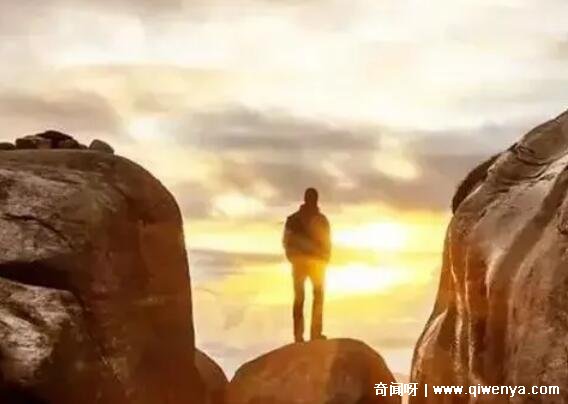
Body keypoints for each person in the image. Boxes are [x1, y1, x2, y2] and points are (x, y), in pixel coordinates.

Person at [283, 188, 331, 343]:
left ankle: (307, 334)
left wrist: (325, 258)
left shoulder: (299, 219)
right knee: (306, 298)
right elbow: (287, 241)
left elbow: (287, 241)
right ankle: (307, 334)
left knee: (308, 298)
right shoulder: (298, 219)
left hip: (311, 263)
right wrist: (293, 257)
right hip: (308, 263)